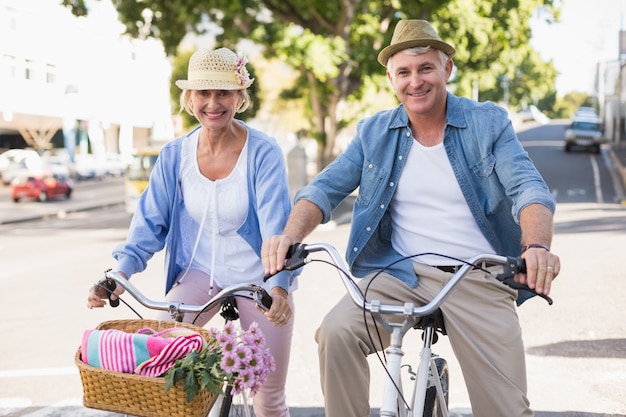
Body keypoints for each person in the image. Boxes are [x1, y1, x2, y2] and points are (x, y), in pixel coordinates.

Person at [262, 19, 561, 417]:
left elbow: (530, 190)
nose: (415, 82)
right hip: (397, 273)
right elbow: (323, 189)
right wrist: (289, 235)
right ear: (391, 78)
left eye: (425, 69)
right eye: (404, 72)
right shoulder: (374, 132)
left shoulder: (487, 122)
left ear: (446, 69)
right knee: (335, 334)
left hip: (478, 275)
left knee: (506, 408)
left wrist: (536, 246)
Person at [87, 47, 298, 417]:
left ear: (239, 97)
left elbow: (276, 230)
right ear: (190, 98)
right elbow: (149, 223)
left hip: (257, 278)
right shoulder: (174, 155)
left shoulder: (263, 152)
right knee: (160, 362)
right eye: (204, 93)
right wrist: (119, 274)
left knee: (268, 394)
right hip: (199, 273)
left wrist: (279, 288)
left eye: (223, 93)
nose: (213, 103)